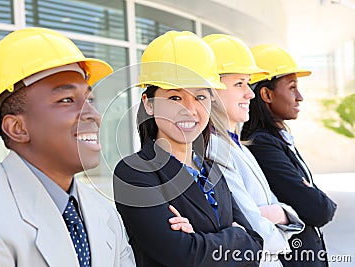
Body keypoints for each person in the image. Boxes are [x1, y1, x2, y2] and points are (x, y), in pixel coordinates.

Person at [0, 27, 135, 267]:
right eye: (67, 100)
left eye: (89, 100)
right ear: (17, 128)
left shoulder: (104, 211)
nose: (93, 114)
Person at [113, 30, 263, 267]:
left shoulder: (211, 168)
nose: (190, 110)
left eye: (200, 97)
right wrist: (235, 237)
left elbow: (255, 243)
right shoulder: (134, 173)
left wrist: (199, 239)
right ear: (148, 104)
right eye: (175, 98)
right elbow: (181, 256)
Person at [203, 34, 305, 267]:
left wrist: (279, 213)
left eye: (248, 83)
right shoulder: (213, 150)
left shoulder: (238, 146)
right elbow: (259, 233)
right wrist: (281, 217)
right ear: (210, 89)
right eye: (239, 83)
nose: (250, 93)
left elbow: (286, 215)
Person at [241, 44, 337, 266]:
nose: (300, 97)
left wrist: (310, 192)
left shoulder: (276, 140)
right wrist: (312, 194)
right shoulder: (262, 144)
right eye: (292, 87)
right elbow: (318, 210)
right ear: (266, 94)